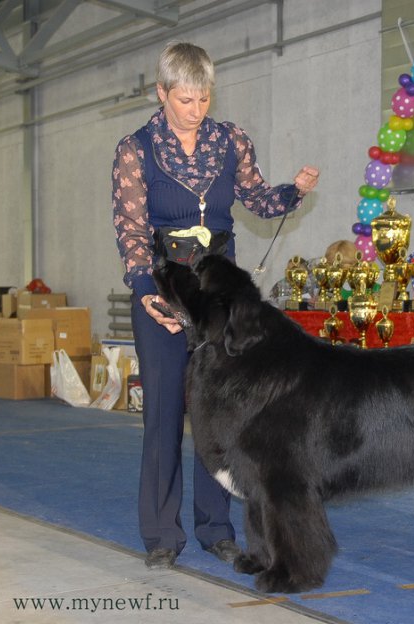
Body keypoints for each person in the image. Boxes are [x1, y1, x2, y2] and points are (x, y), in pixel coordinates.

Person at [112, 41, 319, 570]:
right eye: (185, 99)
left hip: (220, 299)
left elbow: (255, 199)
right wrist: (146, 292)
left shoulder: (230, 141)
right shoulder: (135, 150)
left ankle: (216, 528)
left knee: (219, 415)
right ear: (162, 94)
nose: (196, 109)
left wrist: (291, 192)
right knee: (163, 413)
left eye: (203, 98)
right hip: (165, 291)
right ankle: (161, 533)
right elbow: (131, 232)